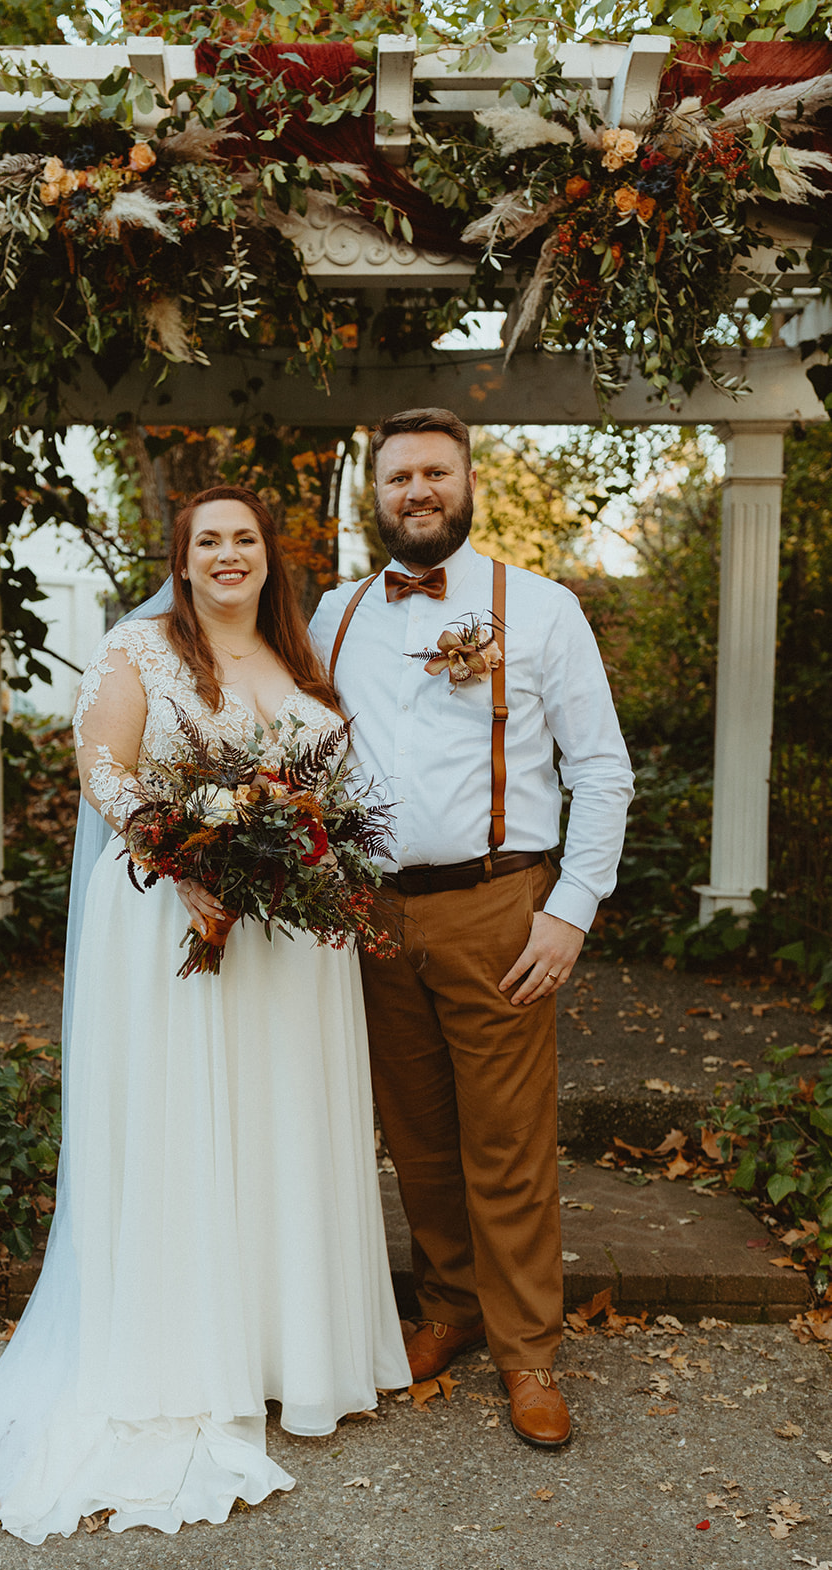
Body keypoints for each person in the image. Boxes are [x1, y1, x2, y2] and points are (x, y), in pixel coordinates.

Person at [0, 486, 409, 1570]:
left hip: (292, 950)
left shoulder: (298, 663)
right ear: (179, 557)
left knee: (278, 1129)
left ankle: (282, 1343)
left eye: (244, 539)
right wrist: (185, 864)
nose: (226, 555)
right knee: (188, 1133)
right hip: (180, 927)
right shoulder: (138, 652)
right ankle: (182, 1354)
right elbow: (104, 772)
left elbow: (327, 790)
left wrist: (302, 857)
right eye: (206, 540)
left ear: (271, 557)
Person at [309, 409, 633, 1451]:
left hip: (500, 904)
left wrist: (568, 911)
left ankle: (527, 1351)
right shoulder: (330, 616)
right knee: (416, 1135)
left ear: (466, 482)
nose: (417, 489)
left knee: (505, 1140)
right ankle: (444, 1306)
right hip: (372, 912)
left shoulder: (540, 611)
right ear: (375, 491)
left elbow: (600, 770)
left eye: (434, 472)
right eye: (398, 474)